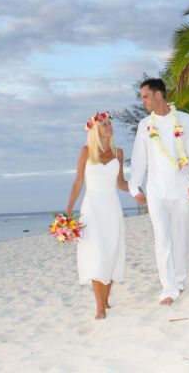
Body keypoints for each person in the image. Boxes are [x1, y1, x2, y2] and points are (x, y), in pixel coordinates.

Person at [128, 78, 189, 305]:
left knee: (181, 236)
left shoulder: (185, 119)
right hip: (156, 191)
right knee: (162, 239)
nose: (143, 101)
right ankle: (168, 288)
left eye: (145, 96)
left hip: (181, 189)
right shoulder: (145, 125)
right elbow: (139, 158)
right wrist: (134, 186)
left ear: (158, 95)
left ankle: (179, 281)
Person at [65, 111, 129, 320]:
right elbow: (78, 183)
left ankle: (106, 300)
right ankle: (100, 308)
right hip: (92, 209)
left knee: (110, 252)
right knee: (97, 254)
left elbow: (120, 183)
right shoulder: (86, 151)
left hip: (112, 207)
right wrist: (67, 212)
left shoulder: (118, 153)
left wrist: (137, 191)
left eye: (110, 123)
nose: (109, 127)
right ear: (95, 129)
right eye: (104, 124)